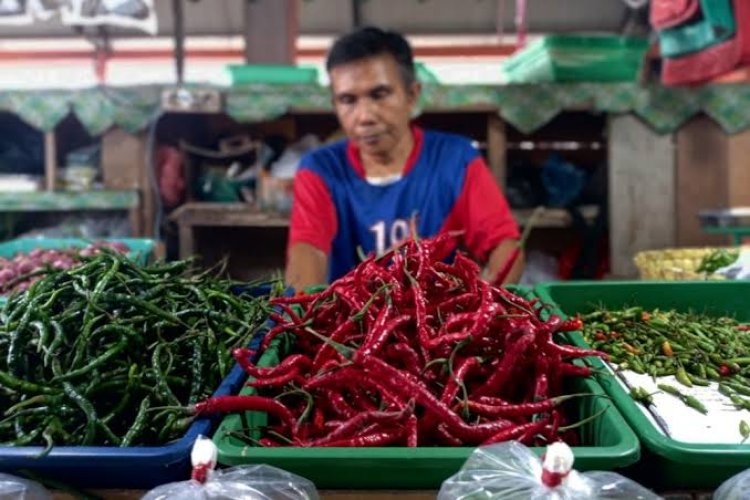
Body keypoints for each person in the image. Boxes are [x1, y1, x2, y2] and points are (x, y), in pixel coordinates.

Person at [285, 26, 523, 291]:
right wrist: (303, 312)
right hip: (352, 323)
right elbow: (307, 249)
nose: (365, 116)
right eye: (348, 100)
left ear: (411, 95)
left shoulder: (456, 158)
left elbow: (504, 245)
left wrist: (484, 300)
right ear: (335, 105)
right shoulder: (320, 169)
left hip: (438, 319)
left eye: (379, 95)